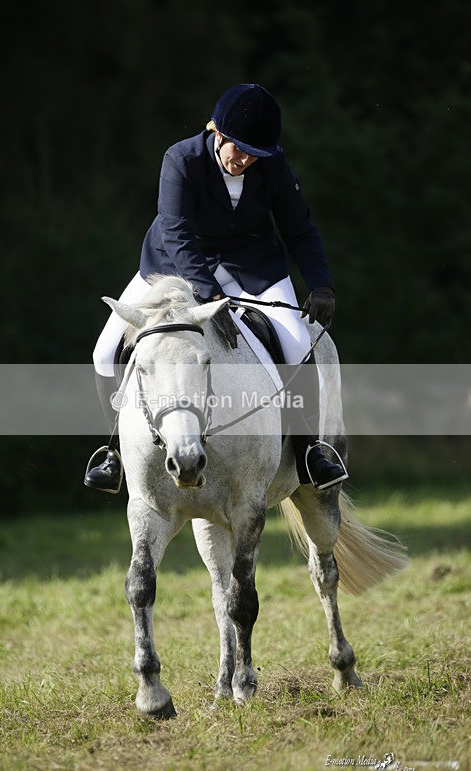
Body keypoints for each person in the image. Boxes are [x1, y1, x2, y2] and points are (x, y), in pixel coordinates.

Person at [84, 83, 347, 493]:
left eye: (255, 154)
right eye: (239, 149)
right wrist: (210, 296)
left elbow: (299, 228)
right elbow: (177, 233)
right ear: (217, 133)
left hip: (251, 265)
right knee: (104, 351)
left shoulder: (272, 164)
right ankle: (114, 452)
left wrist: (321, 284)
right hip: (175, 269)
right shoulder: (181, 159)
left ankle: (309, 451)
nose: (245, 160)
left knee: (297, 344)